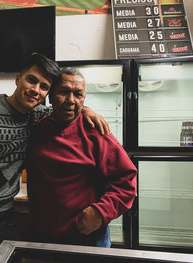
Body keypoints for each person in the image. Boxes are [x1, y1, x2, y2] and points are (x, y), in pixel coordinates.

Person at [0, 53, 110, 242]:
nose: (36, 90)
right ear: (18, 78)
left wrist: (86, 109)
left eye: (44, 87)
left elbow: (67, 106)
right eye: (31, 80)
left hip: (7, 222)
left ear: (48, 94)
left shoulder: (38, 117)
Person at [26, 67, 137, 247]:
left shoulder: (96, 132)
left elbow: (127, 180)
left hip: (86, 238)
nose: (71, 100)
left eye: (78, 94)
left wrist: (101, 212)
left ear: (84, 98)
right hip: (43, 237)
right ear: (51, 95)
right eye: (63, 92)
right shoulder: (37, 129)